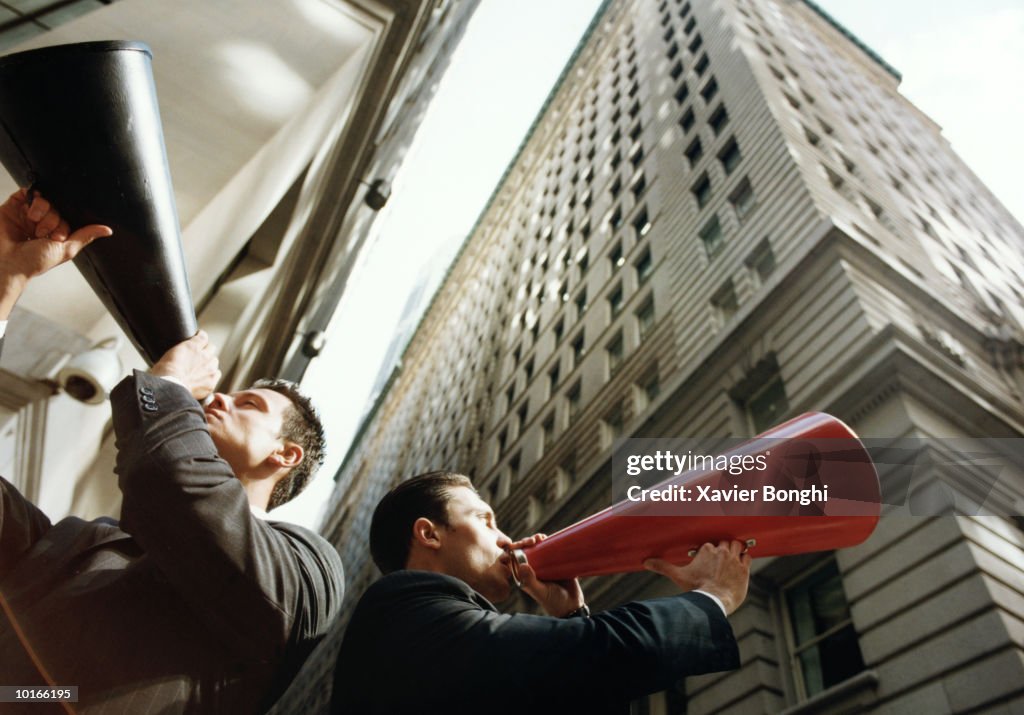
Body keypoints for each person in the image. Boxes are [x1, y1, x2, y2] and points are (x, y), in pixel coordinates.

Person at [0, 189, 345, 713]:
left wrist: (171, 389)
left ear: (286, 455)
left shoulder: (308, 572)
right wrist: (9, 278)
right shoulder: (86, 543)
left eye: (249, 403)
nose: (223, 397)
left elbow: (175, 484)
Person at [331, 471, 751, 715]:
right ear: (428, 534)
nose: (506, 540)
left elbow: (579, 685)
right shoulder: (407, 605)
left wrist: (570, 617)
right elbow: (598, 652)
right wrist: (712, 596)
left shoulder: (429, 625)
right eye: (486, 520)